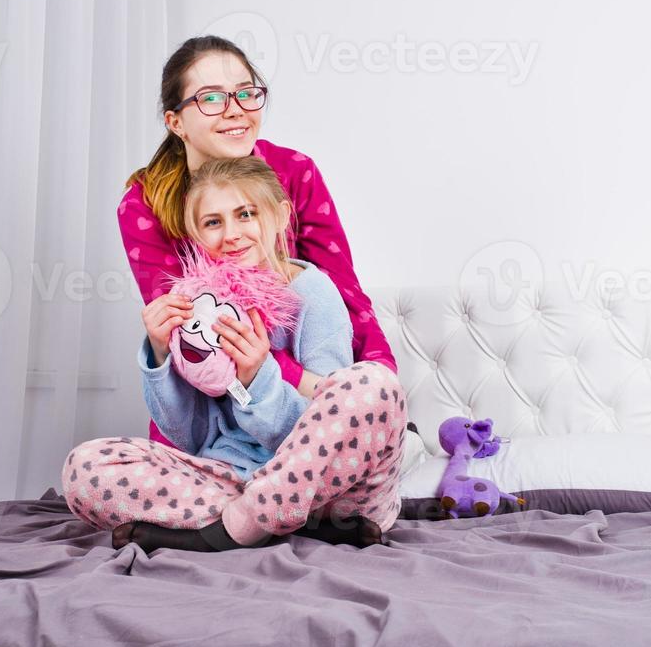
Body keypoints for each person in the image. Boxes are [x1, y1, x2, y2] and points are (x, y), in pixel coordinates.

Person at [61, 156, 407, 554]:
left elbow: (327, 437)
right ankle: (279, 524)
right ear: (195, 234)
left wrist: (256, 378)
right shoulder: (200, 304)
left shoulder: (314, 294)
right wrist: (159, 356)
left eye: (246, 214)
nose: (231, 235)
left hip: (331, 494)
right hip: (230, 478)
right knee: (85, 467)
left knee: (373, 383)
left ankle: (228, 533)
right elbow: (188, 438)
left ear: (279, 217)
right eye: (213, 222)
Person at [117, 34, 397, 449]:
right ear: (176, 122)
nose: (236, 111)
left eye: (246, 93)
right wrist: (310, 382)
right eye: (211, 99)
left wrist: (381, 389)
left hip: (304, 411)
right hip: (210, 419)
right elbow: (198, 334)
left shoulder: (295, 172)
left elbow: (346, 293)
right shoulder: (145, 203)